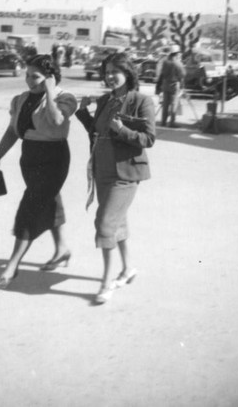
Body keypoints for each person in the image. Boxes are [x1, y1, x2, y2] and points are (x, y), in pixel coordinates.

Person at [0, 54, 78, 289]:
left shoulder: (65, 98)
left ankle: (11, 267)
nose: (29, 81)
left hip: (54, 159)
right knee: (48, 200)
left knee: (30, 207)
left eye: (35, 77)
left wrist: (49, 91)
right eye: (27, 75)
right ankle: (62, 249)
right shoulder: (20, 99)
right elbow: (12, 132)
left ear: (50, 78)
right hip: (29, 158)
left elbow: (57, 120)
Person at [75, 52, 156, 304]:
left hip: (126, 173)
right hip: (102, 170)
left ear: (128, 73)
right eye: (106, 72)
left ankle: (106, 282)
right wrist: (82, 112)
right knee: (117, 223)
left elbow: (148, 139)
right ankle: (127, 269)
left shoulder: (142, 101)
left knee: (106, 224)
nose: (109, 77)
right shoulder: (104, 101)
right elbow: (97, 131)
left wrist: (122, 130)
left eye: (114, 72)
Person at [155, 44, 185, 127]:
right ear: (176, 53)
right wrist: (182, 87)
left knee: (165, 104)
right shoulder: (178, 63)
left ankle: (163, 122)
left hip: (165, 84)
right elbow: (182, 75)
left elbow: (162, 74)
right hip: (174, 85)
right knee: (173, 104)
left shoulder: (165, 62)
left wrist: (158, 86)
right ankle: (172, 122)